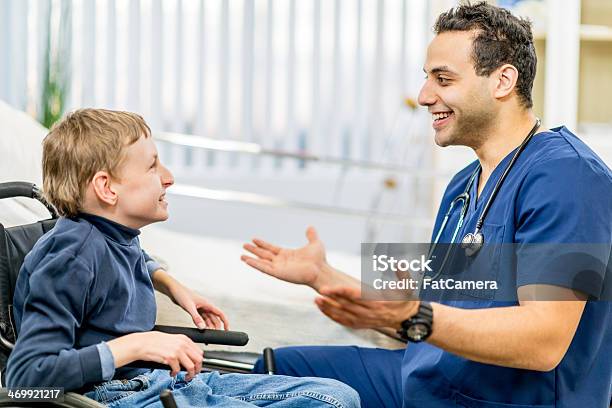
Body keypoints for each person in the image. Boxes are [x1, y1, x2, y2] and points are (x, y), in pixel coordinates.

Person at [242, 2, 612, 407]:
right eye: (426, 79)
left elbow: (545, 342)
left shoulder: (568, 176)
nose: (423, 96)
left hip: (497, 398)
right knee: (275, 373)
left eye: (443, 79)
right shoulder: (461, 188)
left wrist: (412, 316)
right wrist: (326, 276)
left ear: (503, 80)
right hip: (430, 375)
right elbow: (428, 307)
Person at [5, 109, 360, 408]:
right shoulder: (70, 255)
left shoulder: (107, 235)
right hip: (117, 395)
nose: (169, 178)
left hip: (160, 382)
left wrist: (171, 284)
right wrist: (139, 344)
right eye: (152, 166)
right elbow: (26, 377)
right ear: (107, 188)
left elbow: (133, 258)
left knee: (337, 397)